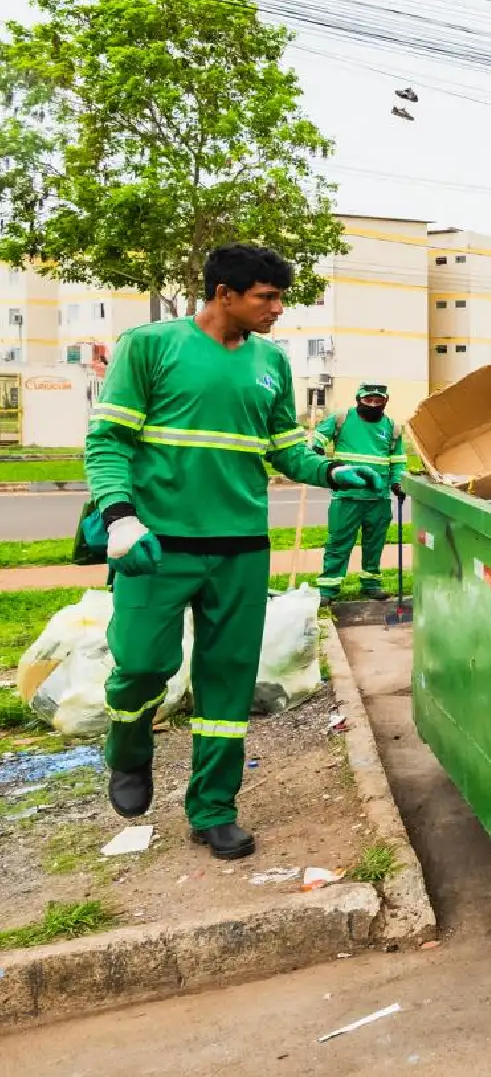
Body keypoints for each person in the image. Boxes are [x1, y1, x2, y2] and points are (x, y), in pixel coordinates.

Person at [84, 244, 386, 860]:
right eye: (266, 297)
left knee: (227, 685)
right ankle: (129, 745)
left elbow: (284, 450)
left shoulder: (271, 362)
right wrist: (118, 515)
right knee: (142, 663)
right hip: (154, 546)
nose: (277, 309)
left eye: (279, 297)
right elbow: (108, 441)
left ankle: (213, 808)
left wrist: (333, 473)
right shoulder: (150, 346)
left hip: (242, 549)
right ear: (224, 293)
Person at [311, 382, 407, 602]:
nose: (373, 404)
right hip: (347, 497)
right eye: (368, 400)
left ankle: (371, 583)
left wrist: (397, 483)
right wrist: (316, 452)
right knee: (338, 543)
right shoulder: (341, 419)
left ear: (385, 401)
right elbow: (318, 438)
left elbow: (398, 460)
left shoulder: (392, 427)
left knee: (375, 544)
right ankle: (328, 588)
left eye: (378, 401)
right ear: (359, 399)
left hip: (378, 498)